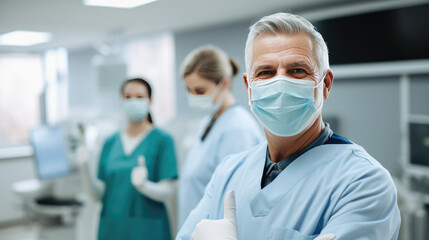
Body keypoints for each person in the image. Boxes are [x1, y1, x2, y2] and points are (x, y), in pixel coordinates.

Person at [176, 13, 401, 240]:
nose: (280, 83)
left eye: (297, 71)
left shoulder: (363, 183)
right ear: (248, 87)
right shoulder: (229, 172)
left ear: (325, 84)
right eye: (266, 72)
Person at [77, 78, 178, 240]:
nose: (133, 101)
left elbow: (169, 191)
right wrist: (84, 168)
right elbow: (99, 195)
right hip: (112, 230)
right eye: (128, 97)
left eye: (139, 97)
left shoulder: (162, 140)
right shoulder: (110, 142)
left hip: (148, 232)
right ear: (122, 101)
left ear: (150, 101)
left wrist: (145, 186)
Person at [178, 46, 264, 226]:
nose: (193, 96)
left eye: (200, 91)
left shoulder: (238, 129)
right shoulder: (210, 120)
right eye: (189, 90)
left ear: (224, 84)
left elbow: (236, 202)